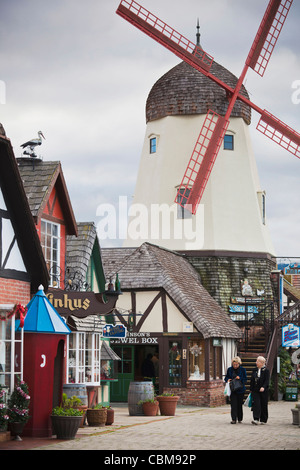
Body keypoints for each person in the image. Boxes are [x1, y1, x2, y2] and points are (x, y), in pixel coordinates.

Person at [224, 356, 247, 424]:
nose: (235, 366)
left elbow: (245, 379)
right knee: (233, 404)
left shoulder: (243, 370)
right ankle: (233, 419)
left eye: (236, 364)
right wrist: (227, 379)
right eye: (234, 364)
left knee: (239, 404)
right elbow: (226, 377)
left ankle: (240, 418)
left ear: (239, 364)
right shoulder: (230, 369)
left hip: (240, 389)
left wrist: (240, 378)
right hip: (233, 390)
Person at [250, 356, 270, 425]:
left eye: (257, 361)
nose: (256, 362)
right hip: (255, 390)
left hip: (263, 390)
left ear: (262, 363)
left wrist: (263, 387)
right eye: (256, 361)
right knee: (256, 404)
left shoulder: (266, 371)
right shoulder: (254, 370)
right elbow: (252, 380)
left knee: (263, 404)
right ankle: (256, 418)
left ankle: (263, 419)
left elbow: (267, 381)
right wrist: (251, 389)